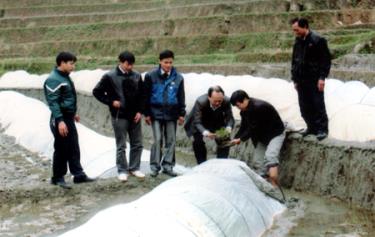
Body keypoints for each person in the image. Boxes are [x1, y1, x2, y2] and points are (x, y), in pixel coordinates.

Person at [44, 52, 94, 189]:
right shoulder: (54, 79)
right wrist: (60, 121)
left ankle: (78, 174)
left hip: (68, 117)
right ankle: (57, 177)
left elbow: (66, 99)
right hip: (59, 118)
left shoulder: (64, 77)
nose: (73, 66)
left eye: (74, 63)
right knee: (61, 148)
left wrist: (73, 114)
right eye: (71, 63)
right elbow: (53, 102)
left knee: (73, 145)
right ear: (62, 63)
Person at [93, 51, 145, 182]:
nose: (130, 67)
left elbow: (142, 96)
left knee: (137, 143)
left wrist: (140, 111)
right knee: (121, 145)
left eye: (132, 64)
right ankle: (122, 170)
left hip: (134, 115)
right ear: (121, 62)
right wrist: (111, 102)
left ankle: (134, 168)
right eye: (128, 64)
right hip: (119, 115)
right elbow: (97, 92)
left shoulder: (137, 76)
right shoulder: (109, 76)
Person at [143, 49, 186, 177]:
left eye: (170, 62)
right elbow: (146, 96)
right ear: (160, 61)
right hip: (155, 112)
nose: (168, 65)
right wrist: (147, 113)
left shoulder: (178, 78)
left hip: (172, 113)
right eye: (166, 62)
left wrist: (182, 113)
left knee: (171, 140)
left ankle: (168, 166)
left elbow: (181, 96)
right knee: (157, 139)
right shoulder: (151, 76)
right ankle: (155, 166)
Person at [230, 90, 285, 187]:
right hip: (262, 137)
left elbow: (253, 127)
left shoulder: (259, 107)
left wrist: (241, 139)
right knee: (259, 162)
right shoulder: (244, 111)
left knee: (270, 157)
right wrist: (235, 138)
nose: (238, 108)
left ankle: (275, 187)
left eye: (238, 105)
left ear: (244, 100)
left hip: (275, 133)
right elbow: (244, 127)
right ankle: (263, 186)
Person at [290, 17, 331, 141]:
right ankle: (311, 127)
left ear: (305, 27)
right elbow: (294, 61)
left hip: (314, 79)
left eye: (297, 30)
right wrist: (294, 79)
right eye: (294, 30)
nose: (295, 32)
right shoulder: (297, 42)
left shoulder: (318, 40)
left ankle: (322, 129)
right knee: (304, 106)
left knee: (318, 105)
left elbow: (325, 61)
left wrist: (322, 78)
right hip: (301, 80)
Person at [184, 86, 234, 164]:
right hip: (200, 122)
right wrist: (206, 133)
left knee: (225, 139)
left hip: (217, 121)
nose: (217, 103)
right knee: (197, 142)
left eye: (220, 101)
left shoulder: (226, 101)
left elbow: (230, 118)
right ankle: (202, 164)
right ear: (209, 97)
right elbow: (197, 121)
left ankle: (221, 164)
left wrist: (227, 129)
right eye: (215, 101)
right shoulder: (200, 101)